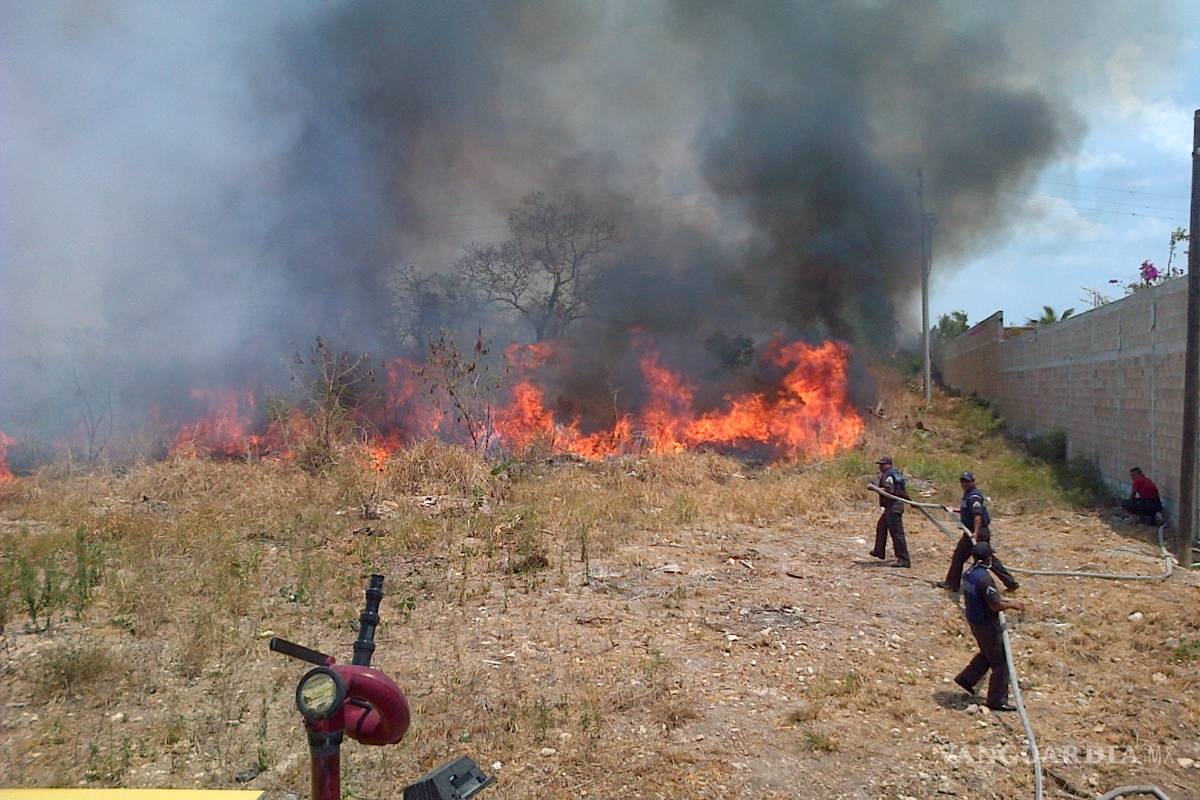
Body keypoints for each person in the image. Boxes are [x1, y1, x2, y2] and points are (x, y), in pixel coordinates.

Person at [954, 542, 1025, 711]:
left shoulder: (968, 573)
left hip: (974, 620)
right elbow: (994, 605)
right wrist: (1012, 605)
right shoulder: (984, 579)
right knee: (1001, 662)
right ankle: (997, 700)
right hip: (986, 624)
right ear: (987, 559)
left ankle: (967, 678)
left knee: (987, 652)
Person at [938, 472, 1018, 592]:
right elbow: (967, 510)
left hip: (977, 532)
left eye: (967, 481)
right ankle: (952, 583)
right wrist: (953, 509)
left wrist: (975, 532)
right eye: (962, 481)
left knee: (982, 558)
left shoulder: (974, 496)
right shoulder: (968, 494)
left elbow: (977, 515)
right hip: (971, 531)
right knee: (964, 556)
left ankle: (952, 584)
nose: (964, 484)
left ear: (972, 482)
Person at [870, 455, 911, 567]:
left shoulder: (888, 475)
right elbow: (901, 491)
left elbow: (890, 490)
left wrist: (875, 488)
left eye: (882, 464)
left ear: (889, 464)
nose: (880, 467)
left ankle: (904, 560)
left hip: (893, 507)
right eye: (880, 464)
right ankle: (879, 551)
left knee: (897, 534)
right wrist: (910, 501)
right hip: (892, 507)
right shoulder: (895, 473)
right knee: (881, 527)